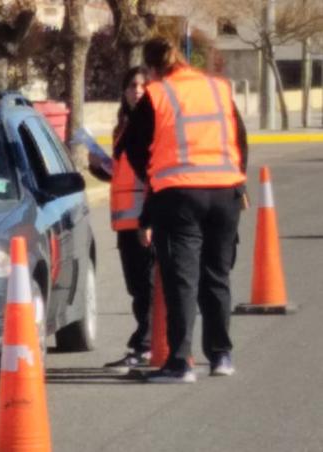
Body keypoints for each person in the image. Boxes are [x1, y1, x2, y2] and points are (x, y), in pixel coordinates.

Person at [125, 37, 248, 383]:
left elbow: (133, 146)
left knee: (182, 279)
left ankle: (180, 362)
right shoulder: (218, 88)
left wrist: (153, 178)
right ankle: (222, 355)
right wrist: (238, 182)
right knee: (217, 274)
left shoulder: (158, 94)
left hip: (179, 194)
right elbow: (240, 138)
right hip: (225, 191)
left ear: (152, 68)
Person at [88, 67, 155, 373]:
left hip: (146, 219)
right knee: (138, 288)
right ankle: (147, 342)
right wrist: (100, 166)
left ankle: (144, 345)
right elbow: (123, 175)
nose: (137, 90)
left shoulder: (153, 124)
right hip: (126, 222)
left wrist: (150, 219)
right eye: (131, 85)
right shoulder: (124, 126)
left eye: (143, 85)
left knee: (148, 288)